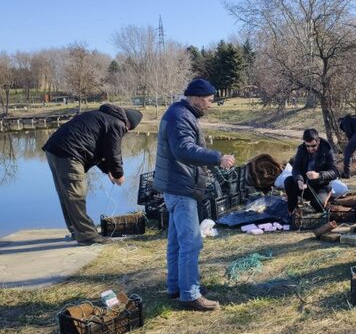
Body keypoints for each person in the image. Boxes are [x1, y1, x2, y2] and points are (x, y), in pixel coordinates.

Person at [154, 78, 236, 311]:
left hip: (175, 186)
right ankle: (189, 295)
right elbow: (184, 149)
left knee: (176, 242)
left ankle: (176, 287)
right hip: (181, 188)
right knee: (191, 243)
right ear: (198, 98)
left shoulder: (179, 113)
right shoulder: (180, 117)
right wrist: (217, 157)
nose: (210, 104)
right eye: (209, 100)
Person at [43, 104, 143, 246]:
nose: (125, 132)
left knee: (67, 195)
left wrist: (108, 170)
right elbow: (113, 153)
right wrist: (118, 174)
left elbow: (99, 148)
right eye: (128, 130)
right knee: (76, 195)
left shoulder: (102, 116)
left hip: (54, 150)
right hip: (69, 154)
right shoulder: (117, 124)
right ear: (128, 124)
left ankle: (76, 230)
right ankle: (88, 236)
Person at [284, 129, 339, 214]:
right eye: (307, 146)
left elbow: (335, 172)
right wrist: (299, 180)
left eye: (313, 146)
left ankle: (328, 195)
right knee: (288, 181)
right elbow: (296, 168)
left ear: (318, 141)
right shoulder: (301, 149)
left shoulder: (327, 150)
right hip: (305, 185)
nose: (310, 149)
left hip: (321, 187)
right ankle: (293, 211)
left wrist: (319, 175)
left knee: (317, 204)